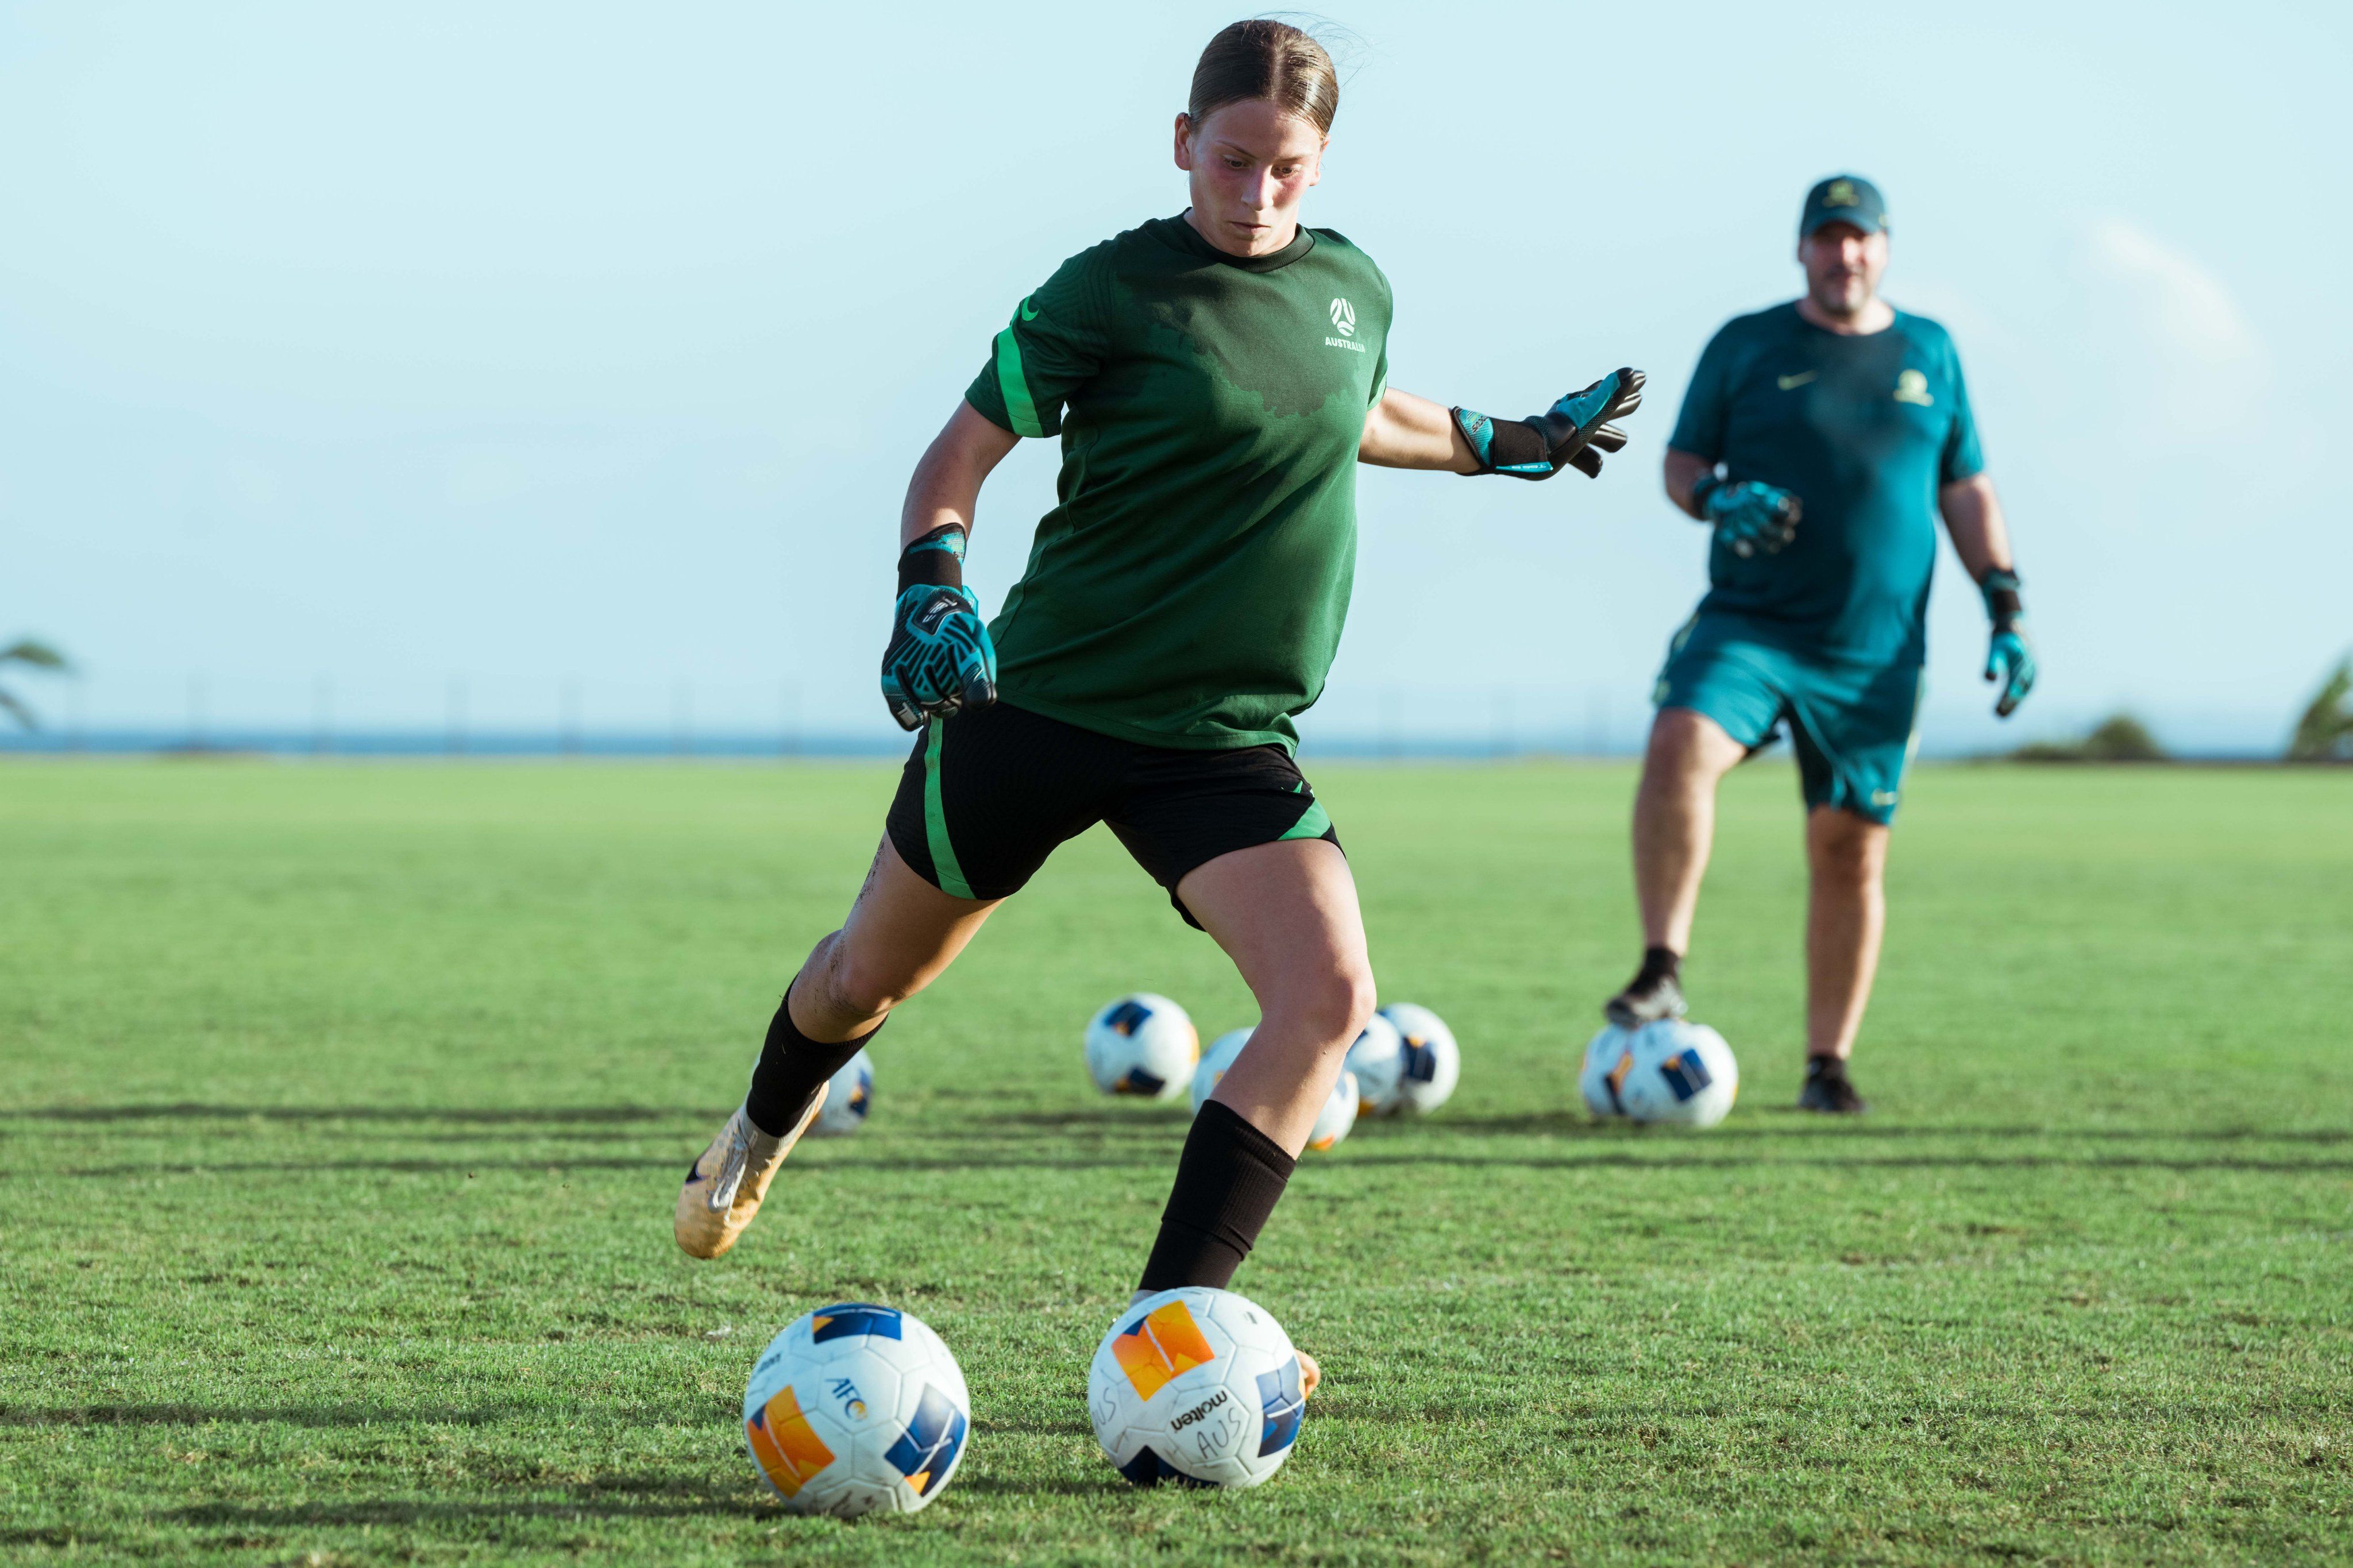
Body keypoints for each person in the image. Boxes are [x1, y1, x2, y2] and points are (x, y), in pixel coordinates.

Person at [674, 20, 1644, 1392]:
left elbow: (1356, 408)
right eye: (1232, 160)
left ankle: (1169, 1337)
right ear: (1183, 141)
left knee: (1328, 997)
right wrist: (928, 586)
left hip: (1219, 739)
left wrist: (1514, 444)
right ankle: (756, 1138)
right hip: (1037, 707)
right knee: (861, 980)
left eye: (1287, 171)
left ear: (1321, 166)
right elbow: (960, 449)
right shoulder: (1108, 290)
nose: (1255, 195)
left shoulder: (1352, 289)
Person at [1603, 175, 2034, 1114]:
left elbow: (1966, 486)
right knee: (1679, 740)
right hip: (1751, 623)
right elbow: (1680, 463)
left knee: (1851, 852)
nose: (1846, 255)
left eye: (1861, 239)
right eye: (1828, 238)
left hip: (1874, 654)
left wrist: (2004, 602)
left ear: (1885, 248)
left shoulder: (1932, 350)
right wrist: (1719, 497)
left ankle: (1825, 1065)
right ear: (1803, 249)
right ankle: (1661, 963)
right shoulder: (1747, 342)